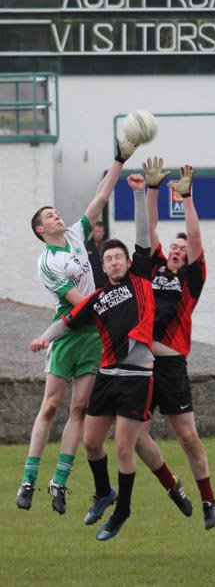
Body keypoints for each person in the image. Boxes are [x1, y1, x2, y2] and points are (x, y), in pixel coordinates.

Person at [16, 136, 138, 515]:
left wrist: (119, 158)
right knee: (51, 405)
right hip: (70, 330)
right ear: (40, 230)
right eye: (49, 215)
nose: (57, 215)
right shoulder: (47, 263)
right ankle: (28, 481)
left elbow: (101, 196)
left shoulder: (73, 235)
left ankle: (59, 483)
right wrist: (111, 302)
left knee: (80, 408)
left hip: (93, 333)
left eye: (56, 212)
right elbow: (78, 305)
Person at [30, 175, 156, 541]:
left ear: (129, 262)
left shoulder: (140, 279)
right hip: (107, 372)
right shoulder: (97, 298)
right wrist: (44, 336)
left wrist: (139, 193)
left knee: (124, 446)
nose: (114, 262)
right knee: (90, 441)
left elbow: (142, 234)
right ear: (103, 265)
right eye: (109, 259)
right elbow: (69, 320)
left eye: (120, 257)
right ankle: (104, 494)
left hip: (136, 375)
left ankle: (122, 511)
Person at [133, 156, 215, 531]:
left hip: (170, 366)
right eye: (174, 247)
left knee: (187, 436)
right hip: (138, 363)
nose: (177, 250)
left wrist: (186, 198)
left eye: (183, 251)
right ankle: (173, 487)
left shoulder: (191, 280)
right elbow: (149, 226)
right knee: (133, 436)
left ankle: (210, 501)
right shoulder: (152, 267)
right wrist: (152, 190)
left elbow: (196, 238)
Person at [86, 220, 109, 287]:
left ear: (103, 233)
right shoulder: (87, 245)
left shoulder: (107, 245)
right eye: (96, 231)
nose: (98, 234)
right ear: (92, 232)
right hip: (91, 280)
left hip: (105, 281)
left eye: (100, 232)